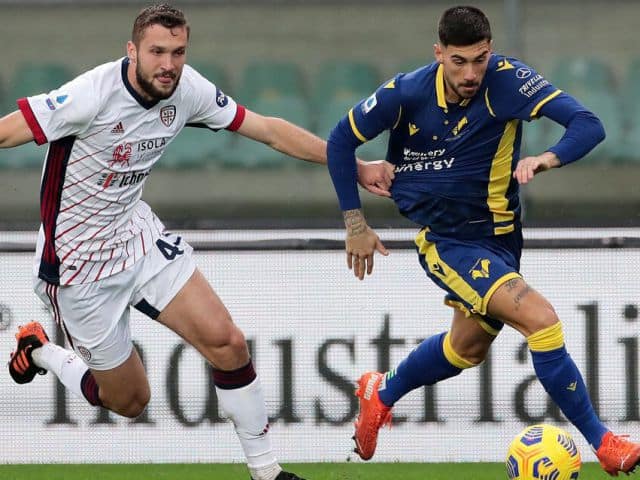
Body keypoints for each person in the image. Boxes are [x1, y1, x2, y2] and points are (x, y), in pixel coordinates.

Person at [1, 4, 394, 480]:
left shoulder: (187, 90)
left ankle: (267, 473)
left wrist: (357, 167)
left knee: (227, 343)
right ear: (132, 51)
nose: (168, 64)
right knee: (129, 401)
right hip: (77, 267)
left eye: (178, 51)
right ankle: (41, 349)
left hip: (137, 236)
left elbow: (268, 130)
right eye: (157, 52)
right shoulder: (91, 95)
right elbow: (6, 133)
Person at [326, 5, 640, 477]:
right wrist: (355, 225)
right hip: (448, 241)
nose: (471, 73)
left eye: (480, 59)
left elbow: (588, 124)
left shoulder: (508, 80)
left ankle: (381, 391)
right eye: (458, 62)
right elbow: (339, 141)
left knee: (465, 351)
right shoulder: (406, 92)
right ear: (438, 54)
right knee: (543, 321)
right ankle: (604, 442)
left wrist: (547, 158)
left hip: (501, 239)